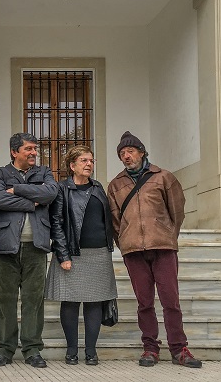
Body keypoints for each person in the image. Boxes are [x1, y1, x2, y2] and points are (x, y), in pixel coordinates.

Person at [107, 131, 202, 369]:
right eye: (122, 153)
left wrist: (168, 235)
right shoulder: (116, 184)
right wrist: (125, 242)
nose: (126, 156)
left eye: (130, 151)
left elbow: (177, 211)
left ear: (141, 152)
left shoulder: (164, 177)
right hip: (133, 251)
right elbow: (115, 220)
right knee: (144, 303)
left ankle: (179, 349)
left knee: (171, 301)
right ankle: (150, 348)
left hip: (163, 247)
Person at [0, 132, 58, 368]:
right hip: (6, 245)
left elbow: (50, 193)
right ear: (14, 151)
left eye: (35, 149)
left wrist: (16, 190)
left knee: (33, 300)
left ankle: (32, 350)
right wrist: (32, 201)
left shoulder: (44, 172)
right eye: (28, 149)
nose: (34, 153)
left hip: (36, 245)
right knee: (5, 300)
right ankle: (4, 350)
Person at [45, 145, 117, 366]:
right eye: (84, 160)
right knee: (70, 303)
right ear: (72, 165)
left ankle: (91, 351)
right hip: (72, 254)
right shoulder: (61, 189)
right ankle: (72, 350)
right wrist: (63, 255)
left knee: (95, 303)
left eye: (91, 161)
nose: (89, 164)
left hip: (99, 254)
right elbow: (56, 224)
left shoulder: (98, 187)